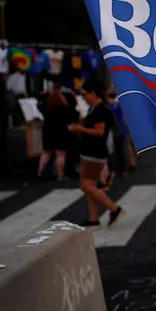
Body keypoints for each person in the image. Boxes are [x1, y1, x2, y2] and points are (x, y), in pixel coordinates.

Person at [68, 79, 124, 229]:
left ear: (93, 93)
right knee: (90, 185)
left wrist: (80, 129)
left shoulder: (100, 110)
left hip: (94, 152)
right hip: (91, 151)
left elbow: (99, 132)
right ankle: (93, 218)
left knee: (86, 185)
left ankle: (113, 208)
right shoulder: (95, 108)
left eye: (85, 94)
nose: (84, 97)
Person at [36, 83, 79, 180]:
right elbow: (73, 110)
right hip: (61, 129)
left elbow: (39, 105)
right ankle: (60, 174)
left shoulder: (48, 106)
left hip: (47, 129)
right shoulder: (65, 107)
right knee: (61, 153)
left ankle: (40, 172)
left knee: (46, 151)